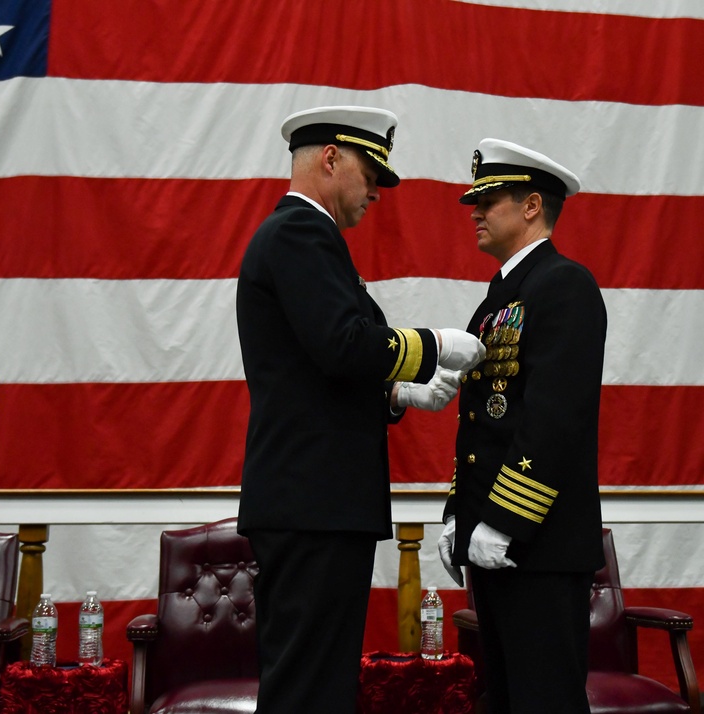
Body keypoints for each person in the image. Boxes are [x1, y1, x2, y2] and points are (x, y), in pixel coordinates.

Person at [235, 106, 487, 713]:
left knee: (319, 680)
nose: (377, 190)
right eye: (371, 171)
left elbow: (315, 368)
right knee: (307, 688)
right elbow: (343, 343)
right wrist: (434, 345)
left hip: (314, 502)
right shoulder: (301, 233)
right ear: (330, 158)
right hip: (312, 503)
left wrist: (396, 393)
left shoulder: (310, 239)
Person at [437, 139, 607, 713]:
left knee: (545, 700)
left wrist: (503, 520)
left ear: (532, 205)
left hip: (539, 541)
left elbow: (555, 419)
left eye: (490, 200)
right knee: (504, 699)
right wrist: (459, 510)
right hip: (496, 543)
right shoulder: (499, 299)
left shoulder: (565, 285)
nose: (475, 212)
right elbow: (481, 426)